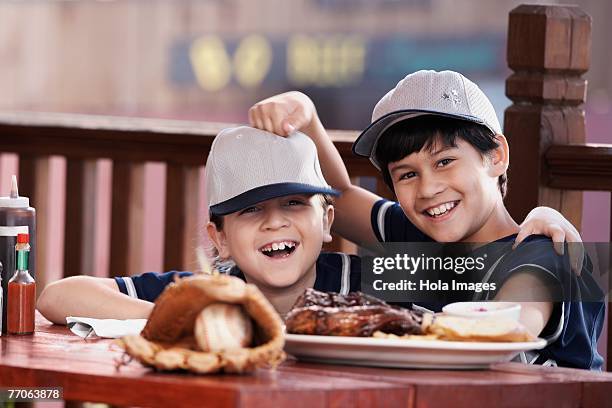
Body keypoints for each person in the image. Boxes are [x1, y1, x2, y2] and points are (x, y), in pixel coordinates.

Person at [248, 70, 604, 369]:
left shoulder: (540, 253)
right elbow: (339, 194)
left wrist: (384, 325)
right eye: (406, 175)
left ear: (496, 156)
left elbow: (508, 329)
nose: (428, 189)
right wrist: (306, 116)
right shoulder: (417, 235)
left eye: (445, 162)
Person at [37, 126, 360, 323]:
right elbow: (57, 297)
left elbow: (413, 275)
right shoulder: (203, 296)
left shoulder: (367, 278)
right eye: (250, 209)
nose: (275, 222)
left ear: (326, 220)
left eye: (294, 203)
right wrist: (179, 318)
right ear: (219, 238)